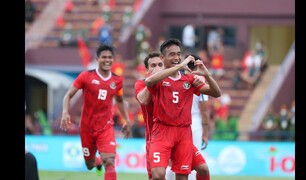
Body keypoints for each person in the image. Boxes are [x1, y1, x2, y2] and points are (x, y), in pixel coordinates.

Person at [145, 38, 221, 180]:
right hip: (162, 131)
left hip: (184, 132)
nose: (177, 57)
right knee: (157, 175)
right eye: (172, 54)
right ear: (163, 58)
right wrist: (179, 67)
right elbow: (148, 81)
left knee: (185, 175)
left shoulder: (189, 80)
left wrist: (207, 74)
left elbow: (216, 93)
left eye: (178, 54)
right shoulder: (158, 78)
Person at [60, 44, 131, 180]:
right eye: (104, 57)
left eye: (110, 57)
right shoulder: (86, 76)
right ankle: (97, 162)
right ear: (97, 59)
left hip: (105, 127)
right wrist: (65, 112)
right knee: (90, 164)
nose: (107, 60)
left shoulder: (117, 80)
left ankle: (103, 162)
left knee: (109, 161)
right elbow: (68, 95)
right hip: (87, 128)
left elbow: (120, 100)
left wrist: (126, 119)